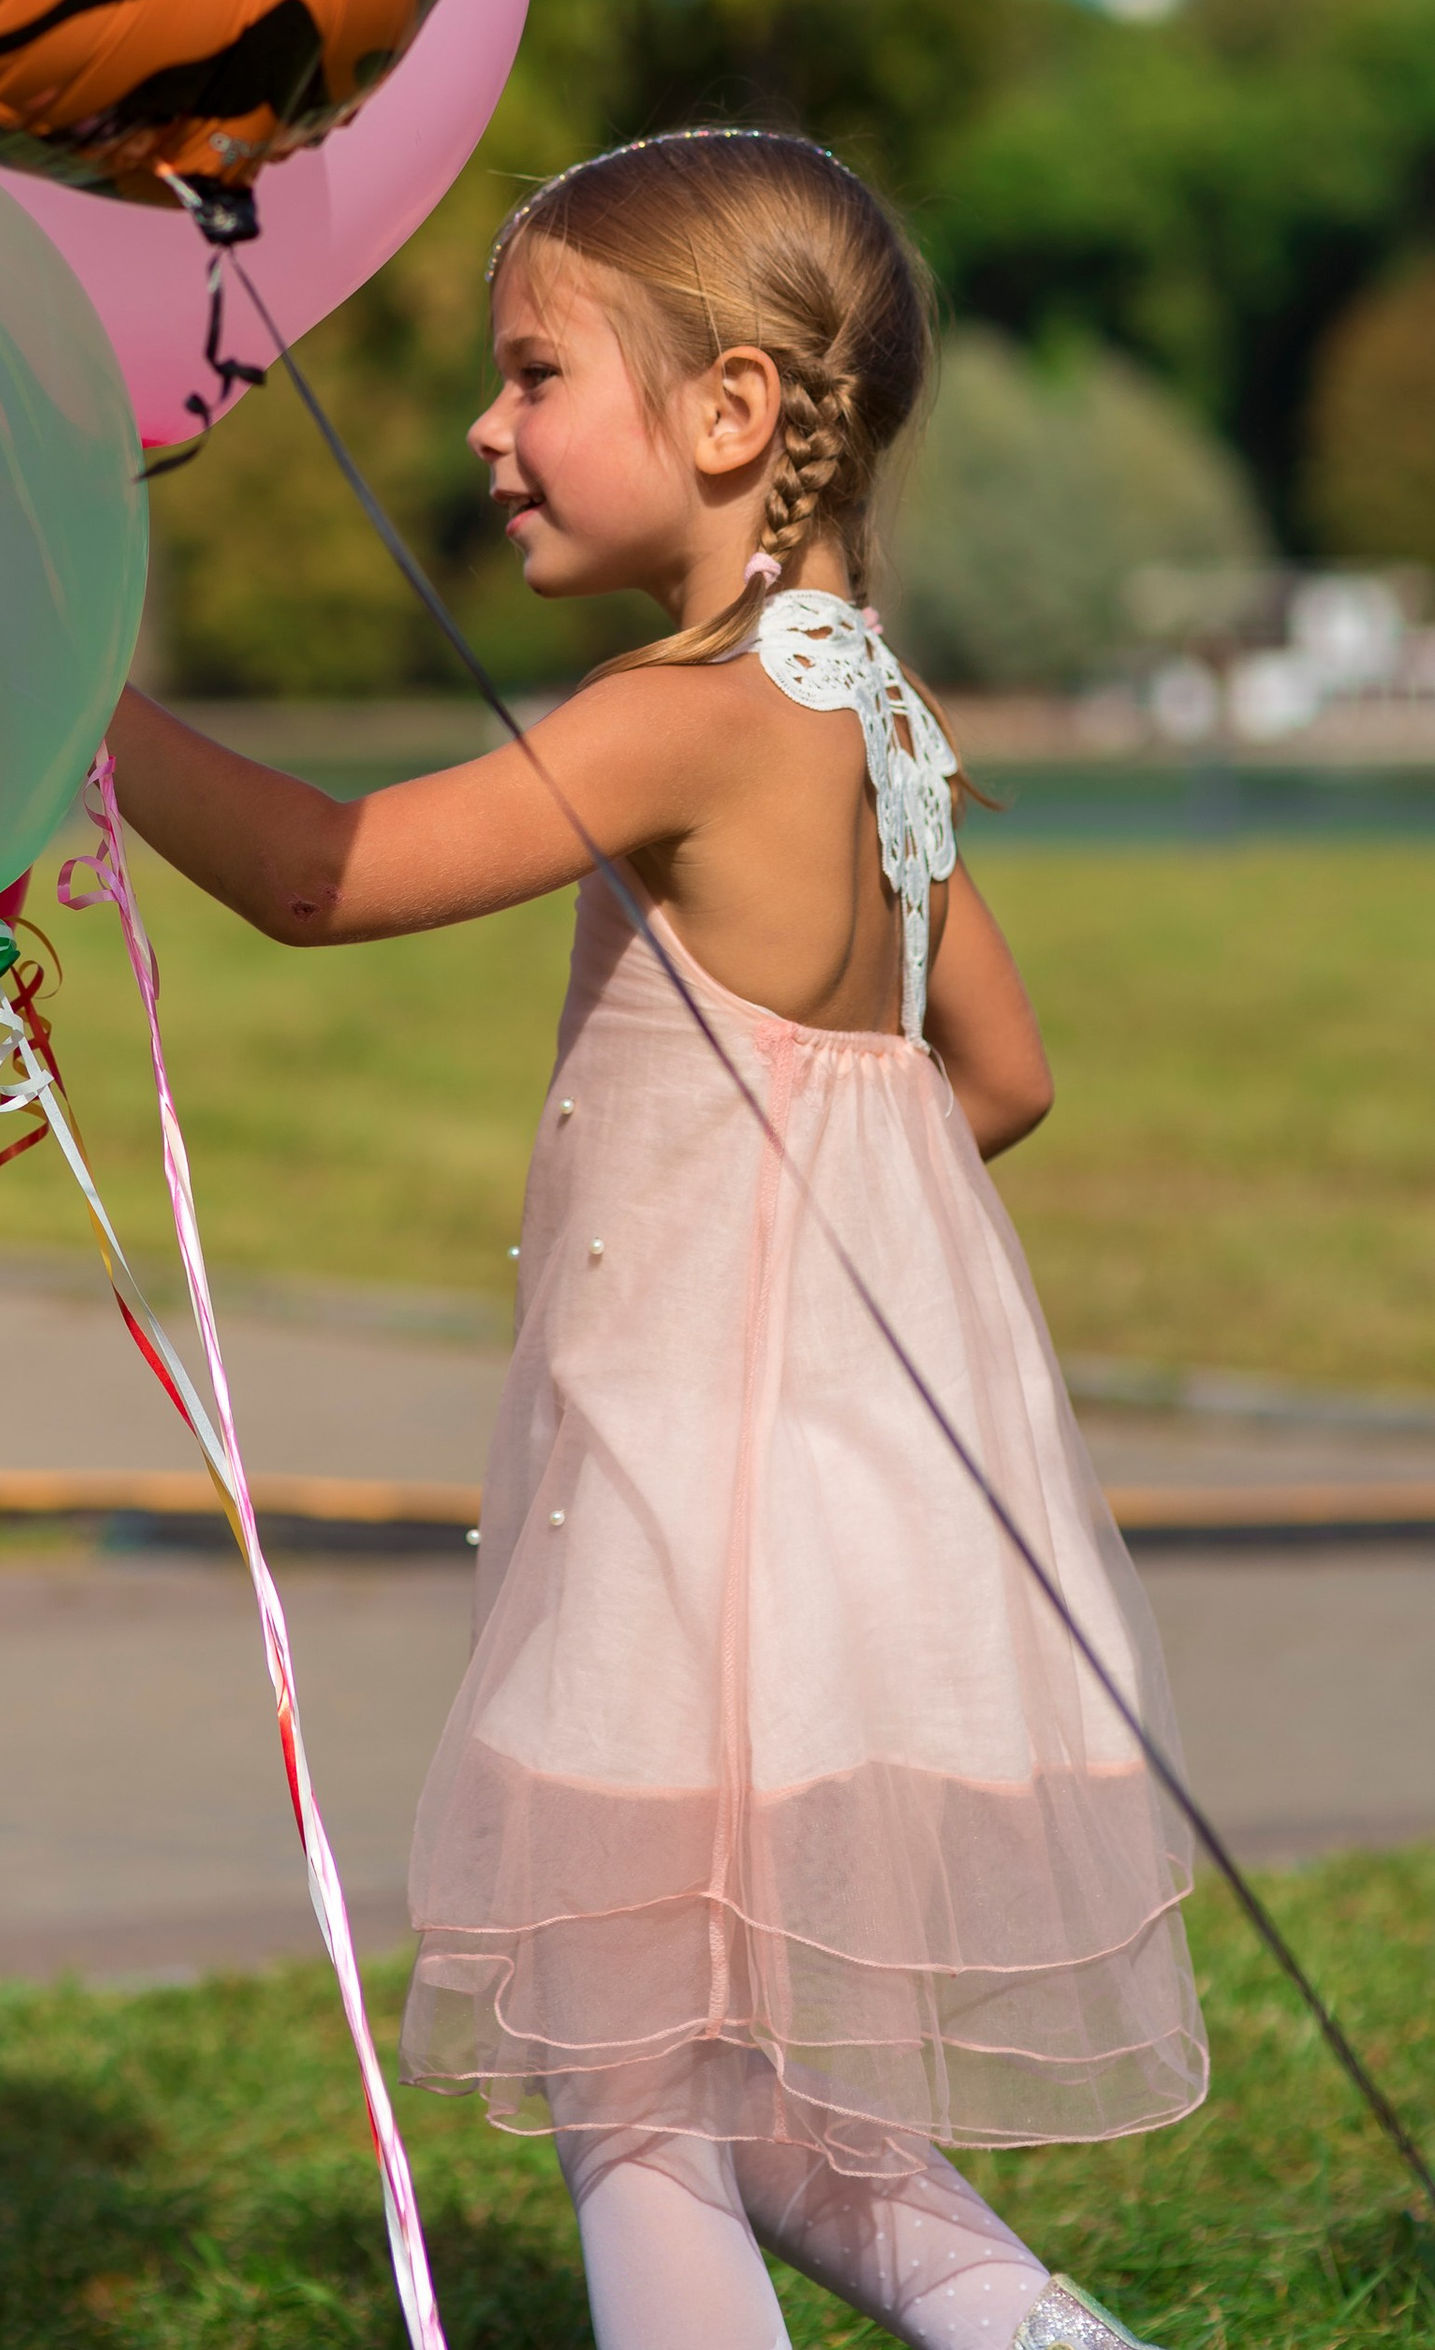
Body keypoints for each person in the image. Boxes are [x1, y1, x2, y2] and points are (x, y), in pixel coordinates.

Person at [108, 130, 1205, 2350]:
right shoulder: (865, 713)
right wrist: (831, 1253)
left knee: (626, 2081)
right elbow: (995, 1069)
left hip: (679, 1531)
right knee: (794, 2108)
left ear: (719, 414)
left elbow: (328, 878)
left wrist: (77, 720)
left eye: (530, 377)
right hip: (857, 1530)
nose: (483, 433)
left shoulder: (678, 718)